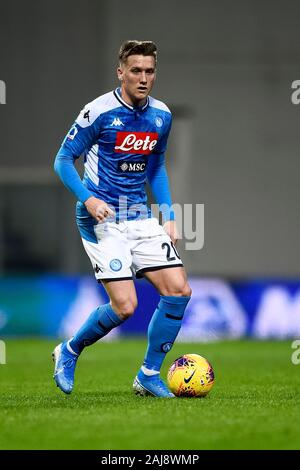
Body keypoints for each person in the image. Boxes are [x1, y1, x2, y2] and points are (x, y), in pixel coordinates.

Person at [53, 40, 191, 398]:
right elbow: (63, 160)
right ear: (121, 72)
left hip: (140, 216)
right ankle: (69, 350)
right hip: (103, 218)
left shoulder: (161, 115)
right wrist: (89, 198)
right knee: (126, 306)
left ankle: (148, 374)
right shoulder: (98, 111)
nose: (143, 78)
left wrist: (170, 217)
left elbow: (156, 167)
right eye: (136, 71)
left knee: (179, 291)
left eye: (149, 71)